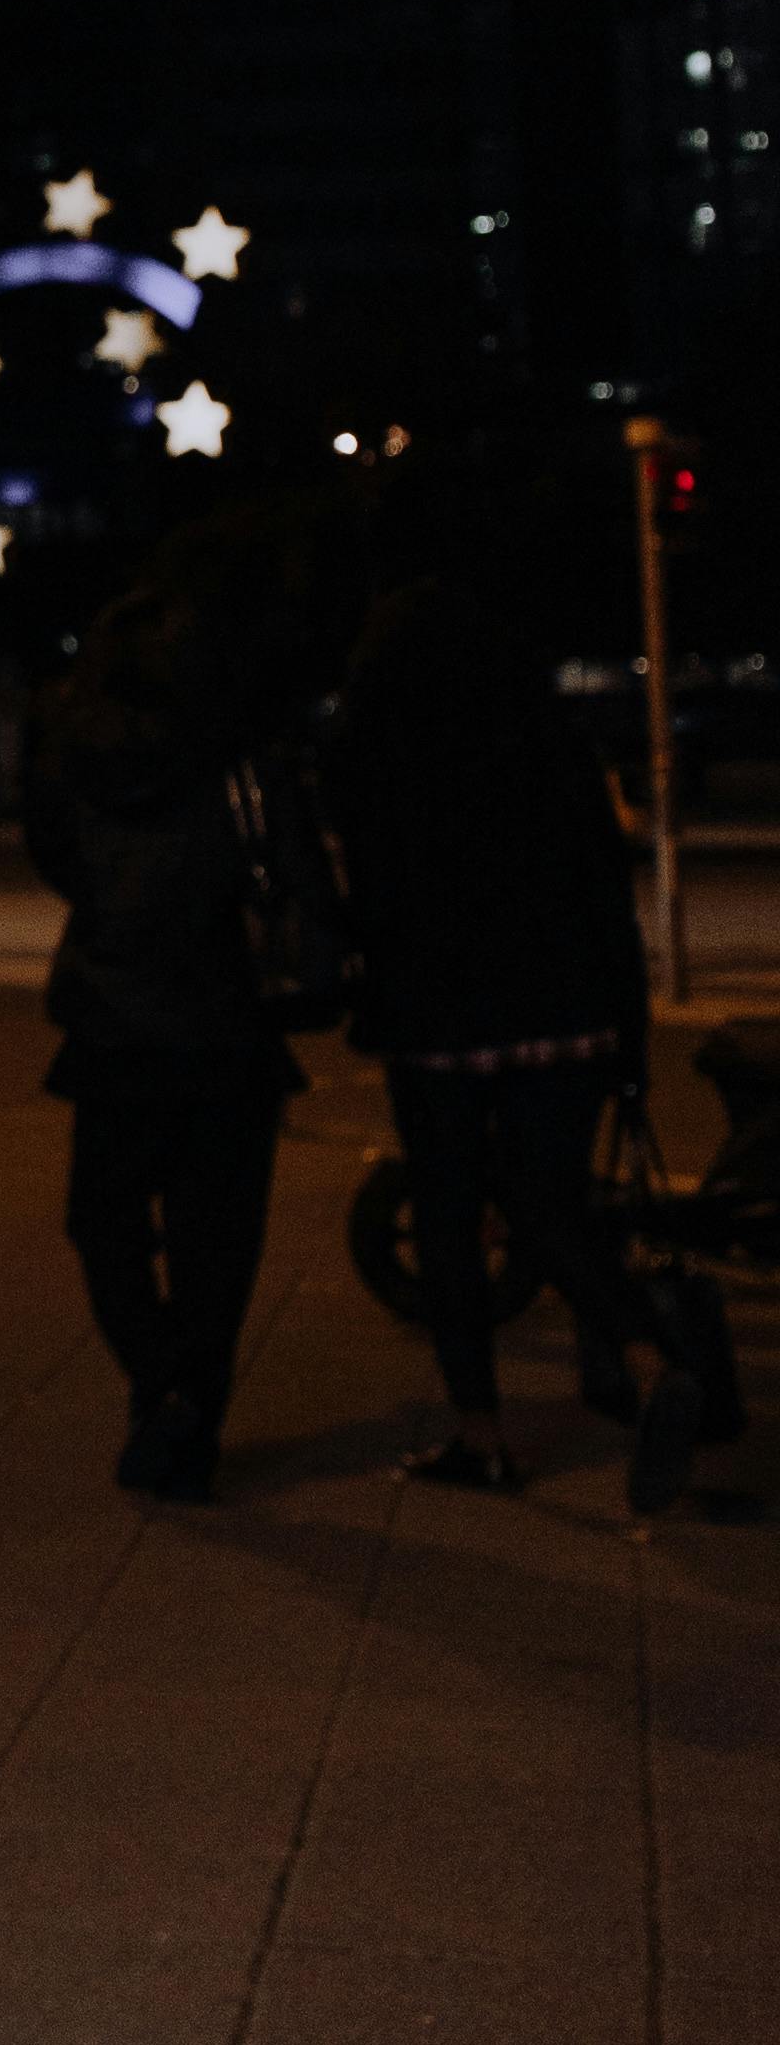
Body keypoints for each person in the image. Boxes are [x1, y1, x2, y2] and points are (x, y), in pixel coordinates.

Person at [325, 547, 720, 1507]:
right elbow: (604, 897)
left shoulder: (377, 754)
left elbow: (364, 899)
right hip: (567, 1015)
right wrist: (626, 1040)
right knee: (549, 1210)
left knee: (453, 1227)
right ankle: (649, 1354)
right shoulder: (554, 743)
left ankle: (483, 1437)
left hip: (439, 1023)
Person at [23, 587, 304, 1499]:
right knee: (216, 1241)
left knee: (103, 1225)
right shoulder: (243, 763)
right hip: (228, 1026)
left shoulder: (75, 761)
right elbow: (291, 874)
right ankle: (189, 1413)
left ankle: (159, 1391)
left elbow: (56, 857)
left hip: (114, 1021)